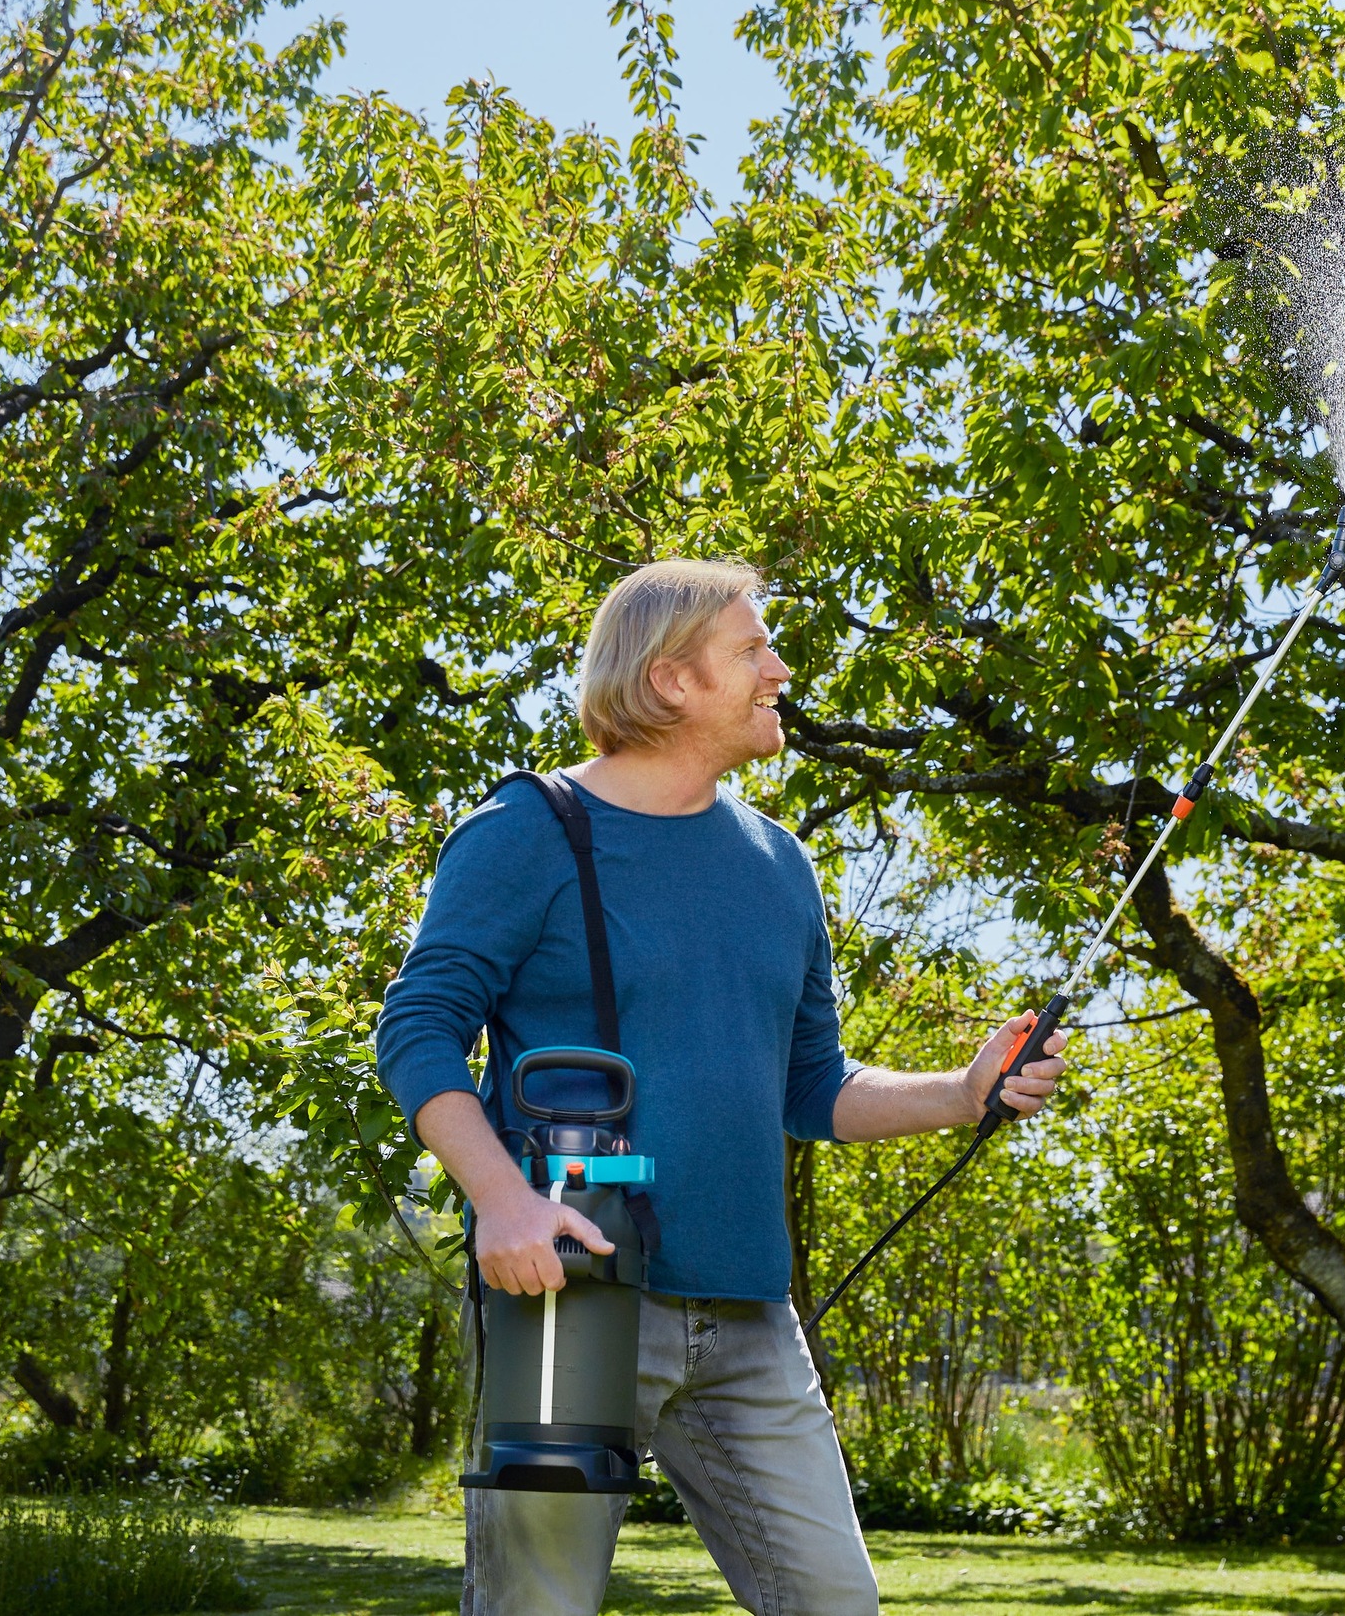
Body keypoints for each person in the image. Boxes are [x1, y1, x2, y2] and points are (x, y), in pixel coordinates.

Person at [375, 558, 1069, 1616]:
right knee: (536, 1607)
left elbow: (813, 1084)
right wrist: (501, 1199)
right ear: (669, 681)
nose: (780, 670)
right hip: (578, 1298)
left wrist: (966, 1087)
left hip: (751, 1311)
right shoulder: (526, 830)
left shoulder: (778, 863)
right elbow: (418, 1029)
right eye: (751, 650)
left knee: (837, 1602)